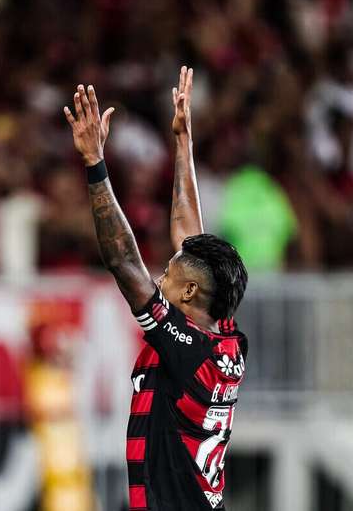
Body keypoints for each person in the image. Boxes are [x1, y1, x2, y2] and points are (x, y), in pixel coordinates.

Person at [63, 67, 249, 510]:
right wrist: (183, 143)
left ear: (187, 295)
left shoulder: (189, 350)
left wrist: (95, 165)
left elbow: (124, 262)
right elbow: (190, 241)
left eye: (167, 274)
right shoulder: (222, 335)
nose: (160, 278)